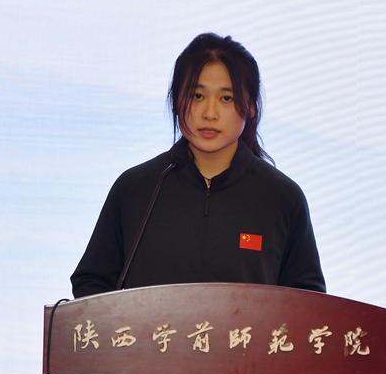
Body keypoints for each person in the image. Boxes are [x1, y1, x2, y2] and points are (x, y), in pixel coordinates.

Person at [71, 33, 325, 296]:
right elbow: (91, 283)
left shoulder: (282, 198)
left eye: (226, 98)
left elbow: (309, 304)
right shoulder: (136, 188)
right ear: (176, 102)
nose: (209, 113)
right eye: (197, 96)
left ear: (250, 105)